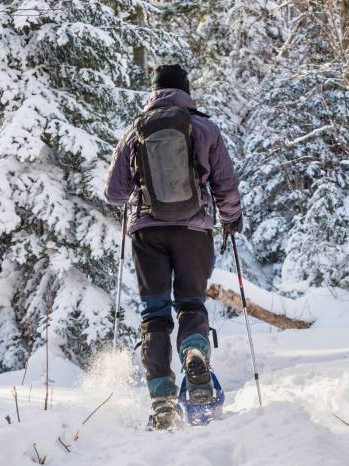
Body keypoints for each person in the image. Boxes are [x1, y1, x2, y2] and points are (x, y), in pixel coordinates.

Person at [104, 64, 242, 430]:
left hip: (148, 235)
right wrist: (231, 218)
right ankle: (195, 350)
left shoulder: (136, 130)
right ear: (186, 90)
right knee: (191, 304)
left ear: (154, 92)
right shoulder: (206, 128)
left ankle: (163, 403)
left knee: (155, 314)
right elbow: (226, 185)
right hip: (195, 232)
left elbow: (114, 192)